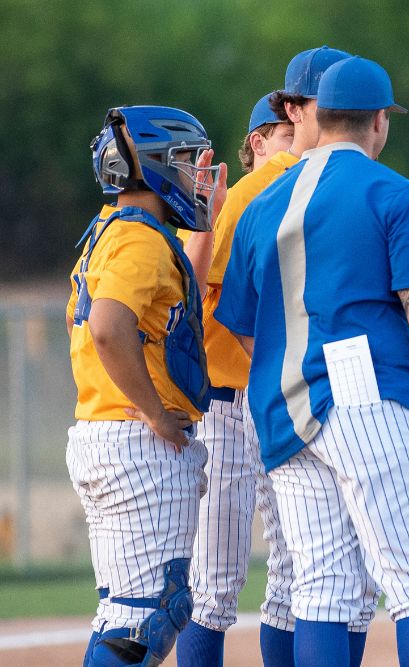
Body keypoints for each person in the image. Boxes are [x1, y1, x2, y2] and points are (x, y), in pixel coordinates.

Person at [214, 55, 409, 667]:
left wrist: (296, 375)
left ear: (318, 115)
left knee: (322, 592)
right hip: (367, 394)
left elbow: (240, 325)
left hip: (283, 407)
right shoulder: (393, 192)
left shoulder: (261, 205)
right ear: (378, 121)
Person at [175, 46, 367, 667]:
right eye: (287, 129)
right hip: (234, 402)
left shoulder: (311, 187)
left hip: (273, 398)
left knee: (289, 575)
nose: (300, 137)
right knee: (224, 579)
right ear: (262, 136)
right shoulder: (244, 197)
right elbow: (217, 306)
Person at [67, 105, 224, 666]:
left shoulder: (108, 233)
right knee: (147, 612)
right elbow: (109, 328)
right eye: (184, 161)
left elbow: (93, 324)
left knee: (124, 610)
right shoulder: (141, 241)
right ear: (152, 167)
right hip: (137, 441)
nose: (195, 175)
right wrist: (156, 412)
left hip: (103, 430)